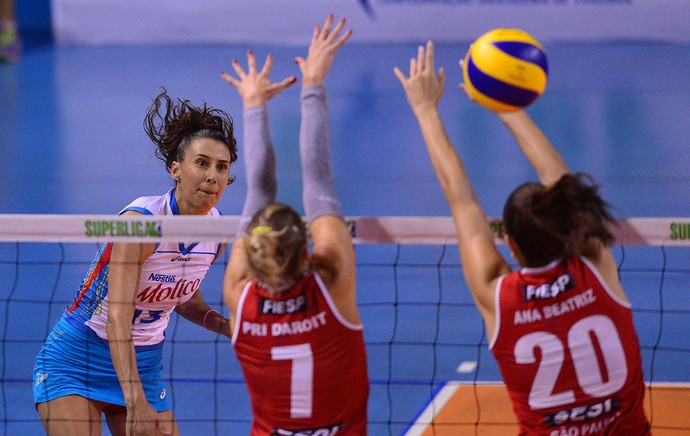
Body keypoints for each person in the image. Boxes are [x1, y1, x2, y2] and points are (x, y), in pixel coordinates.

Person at [394, 41, 650, 435]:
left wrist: (425, 109)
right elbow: (561, 182)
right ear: (569, 225)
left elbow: (460, 198)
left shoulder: (498, 296)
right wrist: (507, 108)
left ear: (510, 246)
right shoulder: (594, 266)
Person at [33, 89, 238, 435]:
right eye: (201, 163)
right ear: (176, 168)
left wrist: (223, 326)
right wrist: (135, 401)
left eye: (222, 167)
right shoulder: (141, 224)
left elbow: (180, 295)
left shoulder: (216, 232)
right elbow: (117, 319)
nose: (212, 176)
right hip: (79, 356)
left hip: (145, 362)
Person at [221, 14, 369, 435]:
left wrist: (252, 104)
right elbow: (317, 179)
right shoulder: (332, 284)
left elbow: (259, 190)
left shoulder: (239, 298)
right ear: (307, 251)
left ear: (253, 253)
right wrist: (314, 83)